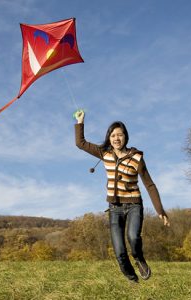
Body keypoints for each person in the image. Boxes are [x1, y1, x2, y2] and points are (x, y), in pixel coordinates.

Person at [74, 110, 170, 283]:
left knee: (133, 238)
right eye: (113, 135)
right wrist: (80, 122)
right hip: (114, 208)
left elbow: (149, 184)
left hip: (134, 205)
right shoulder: (105, 153)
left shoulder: (136, 158)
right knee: (119, 251)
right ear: (109, 138)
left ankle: (139, 259)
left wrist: (160, 210)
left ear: (126, 137)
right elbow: (80, 143)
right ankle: (132, 280)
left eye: (120, 135)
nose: (116, 138)